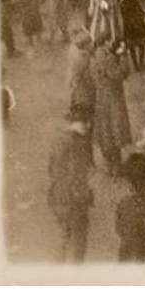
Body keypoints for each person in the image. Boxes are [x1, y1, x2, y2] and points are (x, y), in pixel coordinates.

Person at [48, 106, 95, 263]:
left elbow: (51, 169)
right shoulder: (78, 144)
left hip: (57, 195)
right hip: (74, 198)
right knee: (80, 238)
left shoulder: (57, 140)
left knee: (63, 235)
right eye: (86, 123)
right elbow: (79, 173)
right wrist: (85, 195)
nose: (88, 127)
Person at [91, 41, 132, 178]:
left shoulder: (95, 57)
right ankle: (116, 167)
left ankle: (110, 165)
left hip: (100, 98)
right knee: (115, 131)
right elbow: (120, 74)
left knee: (106, 132)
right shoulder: (108, 58)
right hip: (112, 99)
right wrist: (124, 56)